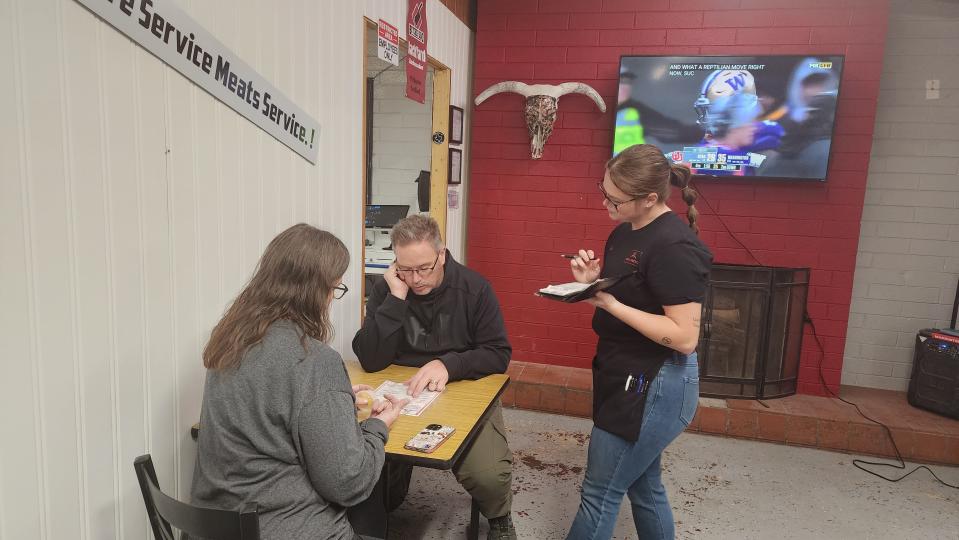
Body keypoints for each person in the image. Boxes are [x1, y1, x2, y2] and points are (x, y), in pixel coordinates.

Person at [190, 224, 408, 540]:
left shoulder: (230, 340)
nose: (333, 299)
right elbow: (348, 483)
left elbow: (273, 404)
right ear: (314, 291)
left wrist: (336, 398)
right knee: (368, 500)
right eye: (335, 288)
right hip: (285, 528)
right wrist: (378, 425)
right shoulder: (314, 360)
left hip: (216, 525)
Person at [565, 144, 713, 540]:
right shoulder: (624, 231)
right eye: (604, 190)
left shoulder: (675, 247)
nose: (605, 204)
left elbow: (684, 338)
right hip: (622, 369)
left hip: (656, 381)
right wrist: (593, 282)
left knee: (600, 492)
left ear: (650, 198)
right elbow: (633, 293)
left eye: (614, 199)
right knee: (644, 487)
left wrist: (609, 303)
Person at [352, 214, 516, 540]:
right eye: (405, 269)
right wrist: (396, 298)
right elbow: (370, 359)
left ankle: (500, 519)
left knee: (489, 476)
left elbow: (498, 354)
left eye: (424, 267)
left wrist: (449, 364)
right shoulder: (391, 289)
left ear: (442, 255)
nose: (416, 279)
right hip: (402, 392)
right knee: (377, 480)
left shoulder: (474, 288)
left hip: (462, 386)